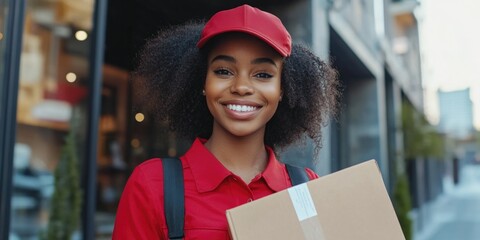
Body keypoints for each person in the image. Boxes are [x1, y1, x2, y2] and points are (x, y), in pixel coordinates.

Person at [112, 4, 340, 239]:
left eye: (263, 74)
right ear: (202, 82)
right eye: (223, 71)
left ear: (282, 89)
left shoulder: (306, 188)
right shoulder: (152, 185)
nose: (241, 87)